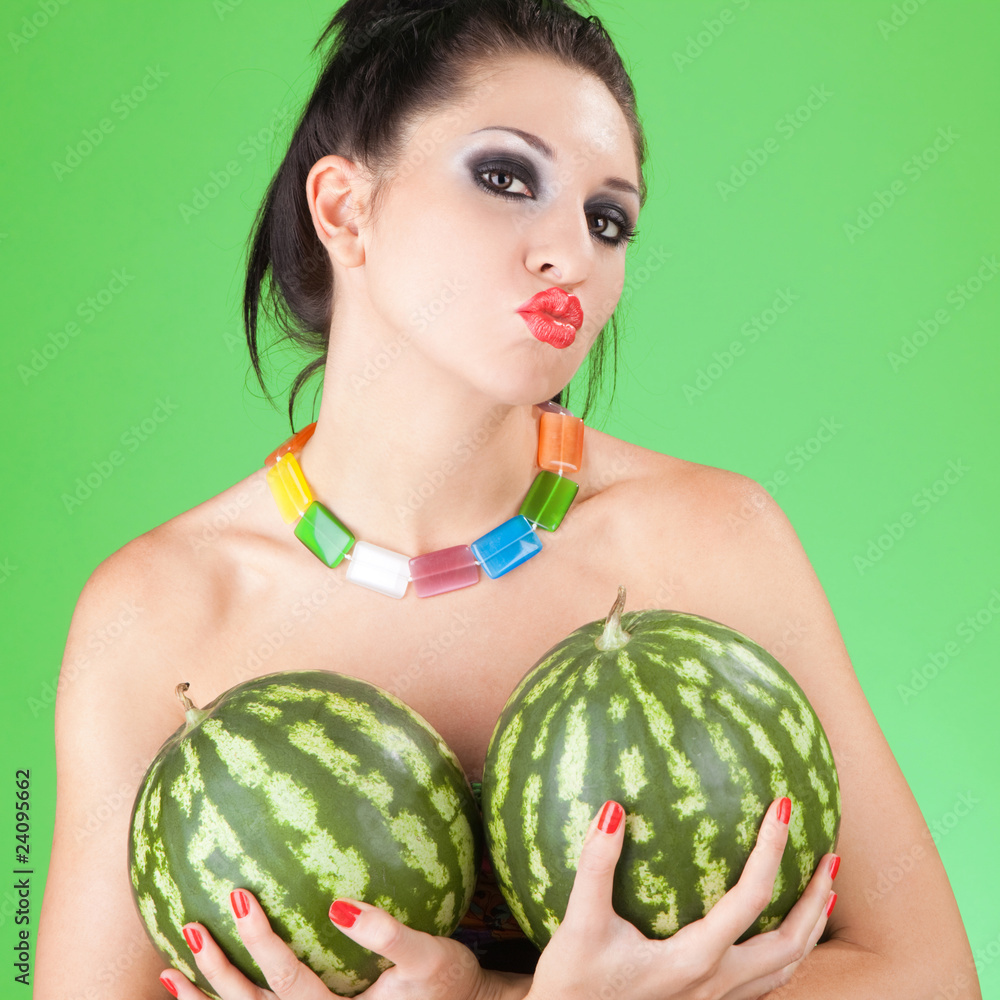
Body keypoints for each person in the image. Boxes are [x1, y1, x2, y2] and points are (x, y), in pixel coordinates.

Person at [36, 1, 980, 997]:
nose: (571, 252)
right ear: (347, 209)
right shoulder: (155, 618)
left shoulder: (707, 543)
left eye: (605, 218)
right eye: (504, 176)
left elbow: (927, 975)